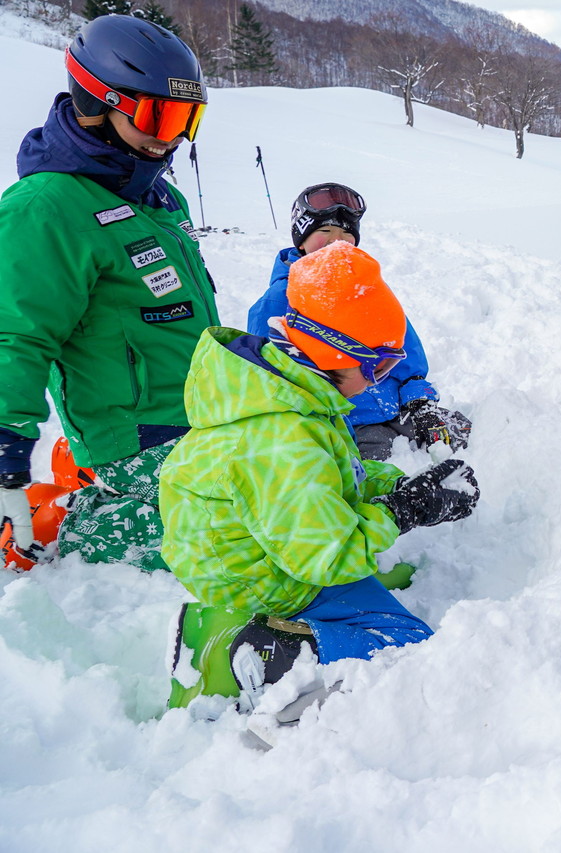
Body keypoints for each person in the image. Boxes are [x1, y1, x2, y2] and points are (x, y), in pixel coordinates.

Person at [161, 242, 479, 721]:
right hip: (258, 578)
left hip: (273, 545)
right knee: (411, 652)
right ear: (332, 352)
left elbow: (335, 472)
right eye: (376, 365)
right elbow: (326, 558)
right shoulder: (280, 439)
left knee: (392, 575)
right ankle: (271, 652)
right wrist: (407, 509)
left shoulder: (292, 390)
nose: (380, 380)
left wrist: (401, 486)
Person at [0, 15, 216, 573]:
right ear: (96, 101)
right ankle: (89, 534)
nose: (169, 135)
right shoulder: (46, 208)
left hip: (202, 419)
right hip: (137, 437)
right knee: (239, 517)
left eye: (185, 118)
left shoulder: (158, 200)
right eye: (157, 114)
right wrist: (6, 444)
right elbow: (14, 333)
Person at [246, 182, 471, 461]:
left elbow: (401, 344)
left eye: (345, 234)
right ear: (301, 240)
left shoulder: (361, 285)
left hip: (397, 405)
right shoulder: (278, 301)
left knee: (460, 433)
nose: (335, 241)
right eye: (324, 231)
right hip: (347, 422)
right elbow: (271, 380)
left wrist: (419, 400)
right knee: (381, 472)